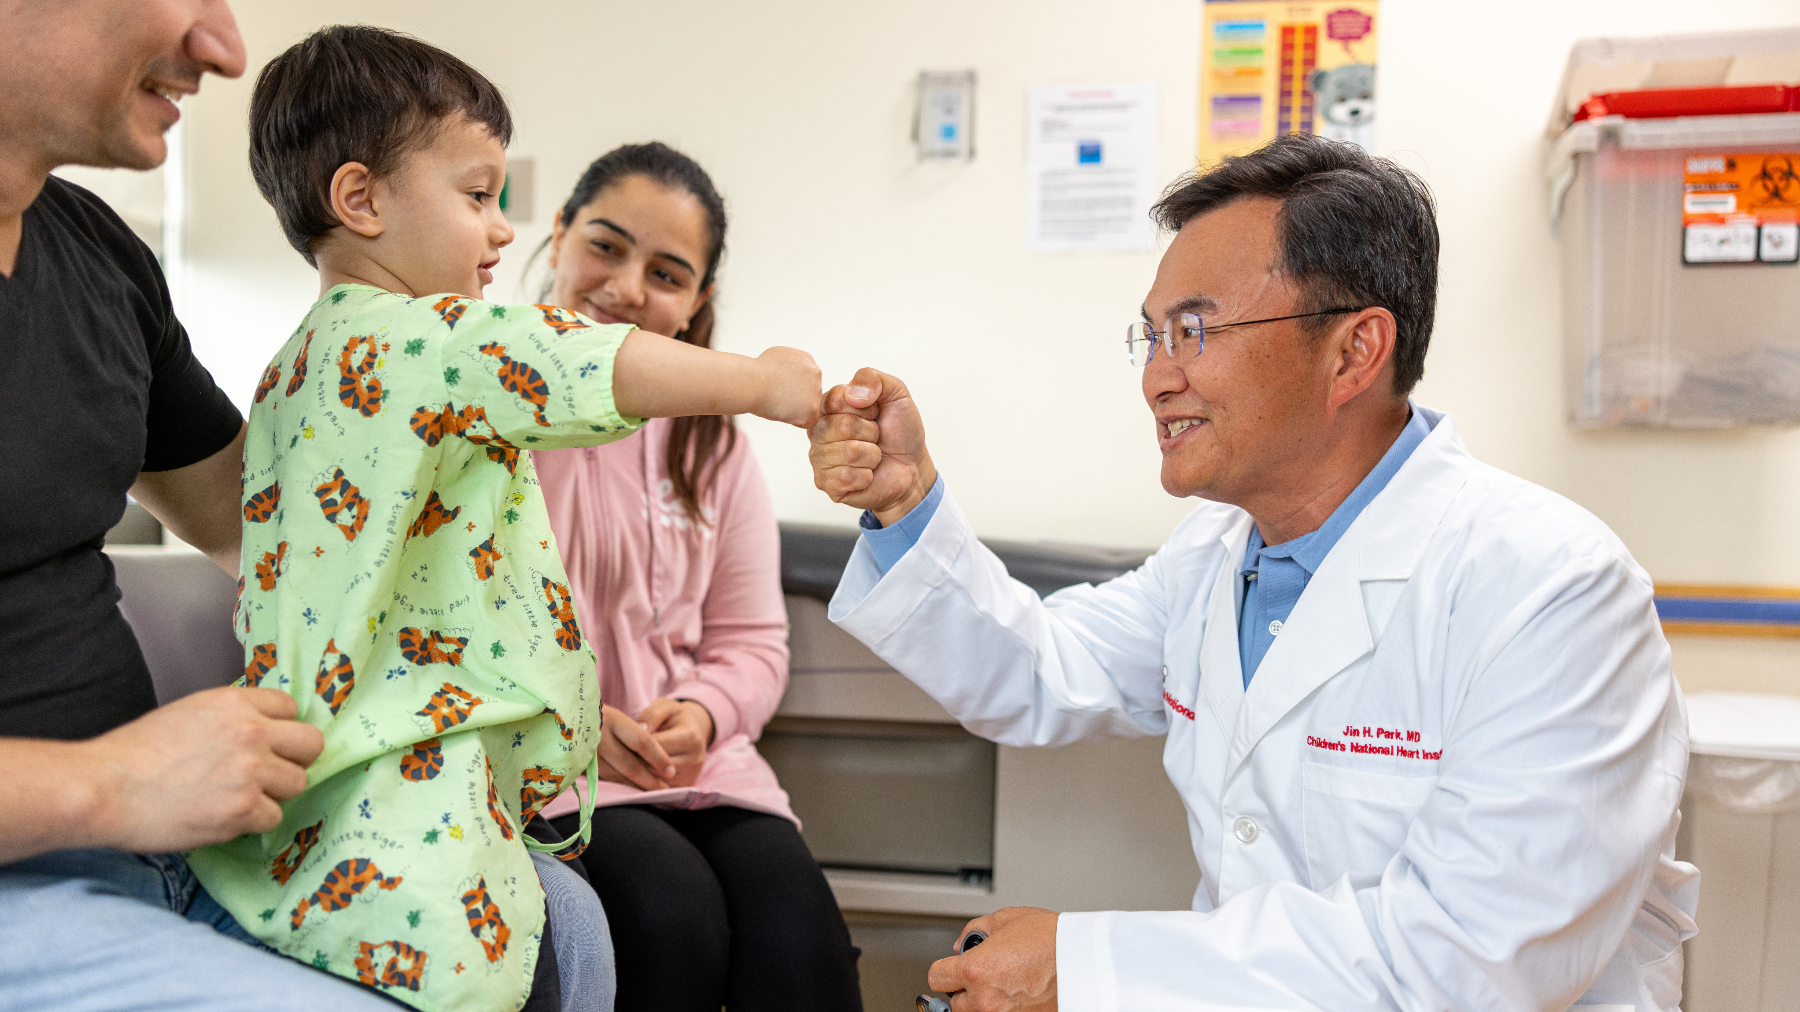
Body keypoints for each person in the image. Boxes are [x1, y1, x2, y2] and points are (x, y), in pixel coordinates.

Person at [807, 133, 1698, 1011]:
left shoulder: (1552, 589)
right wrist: (905, 503)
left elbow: (1465, 963)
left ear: (1354, 351)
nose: (1157, 378)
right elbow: (1040, 669)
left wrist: (1086, 966)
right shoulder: (1213, 556)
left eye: (1194, 330)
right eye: (1152, 336)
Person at [189, 28, 822, 1012]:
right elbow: (588, 359)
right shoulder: (436, 340)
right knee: (522, 960)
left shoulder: (290, 370)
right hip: (416, 769)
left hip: (314, 761)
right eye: (478, 195)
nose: (497, 231)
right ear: (361, 200)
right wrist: (764, 382)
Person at [0, 2, 414, 1009]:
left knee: (560, 927)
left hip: (159, 844)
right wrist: (113, 784)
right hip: (45, 863)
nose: (225, 49)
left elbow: (249, 520)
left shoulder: (96, 254)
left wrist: (506, 667)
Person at [533, 143, 863, 1012]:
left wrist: (705, 712)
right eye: (605, 246)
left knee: (801, 941)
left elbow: (753, 643)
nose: (627, 288)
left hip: (705, 768)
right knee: (668, 915)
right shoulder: (493, 413)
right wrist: (574, 726)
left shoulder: (711, 446)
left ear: (698, 301)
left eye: (666, 274)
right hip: (548, 770)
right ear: (559, 234)